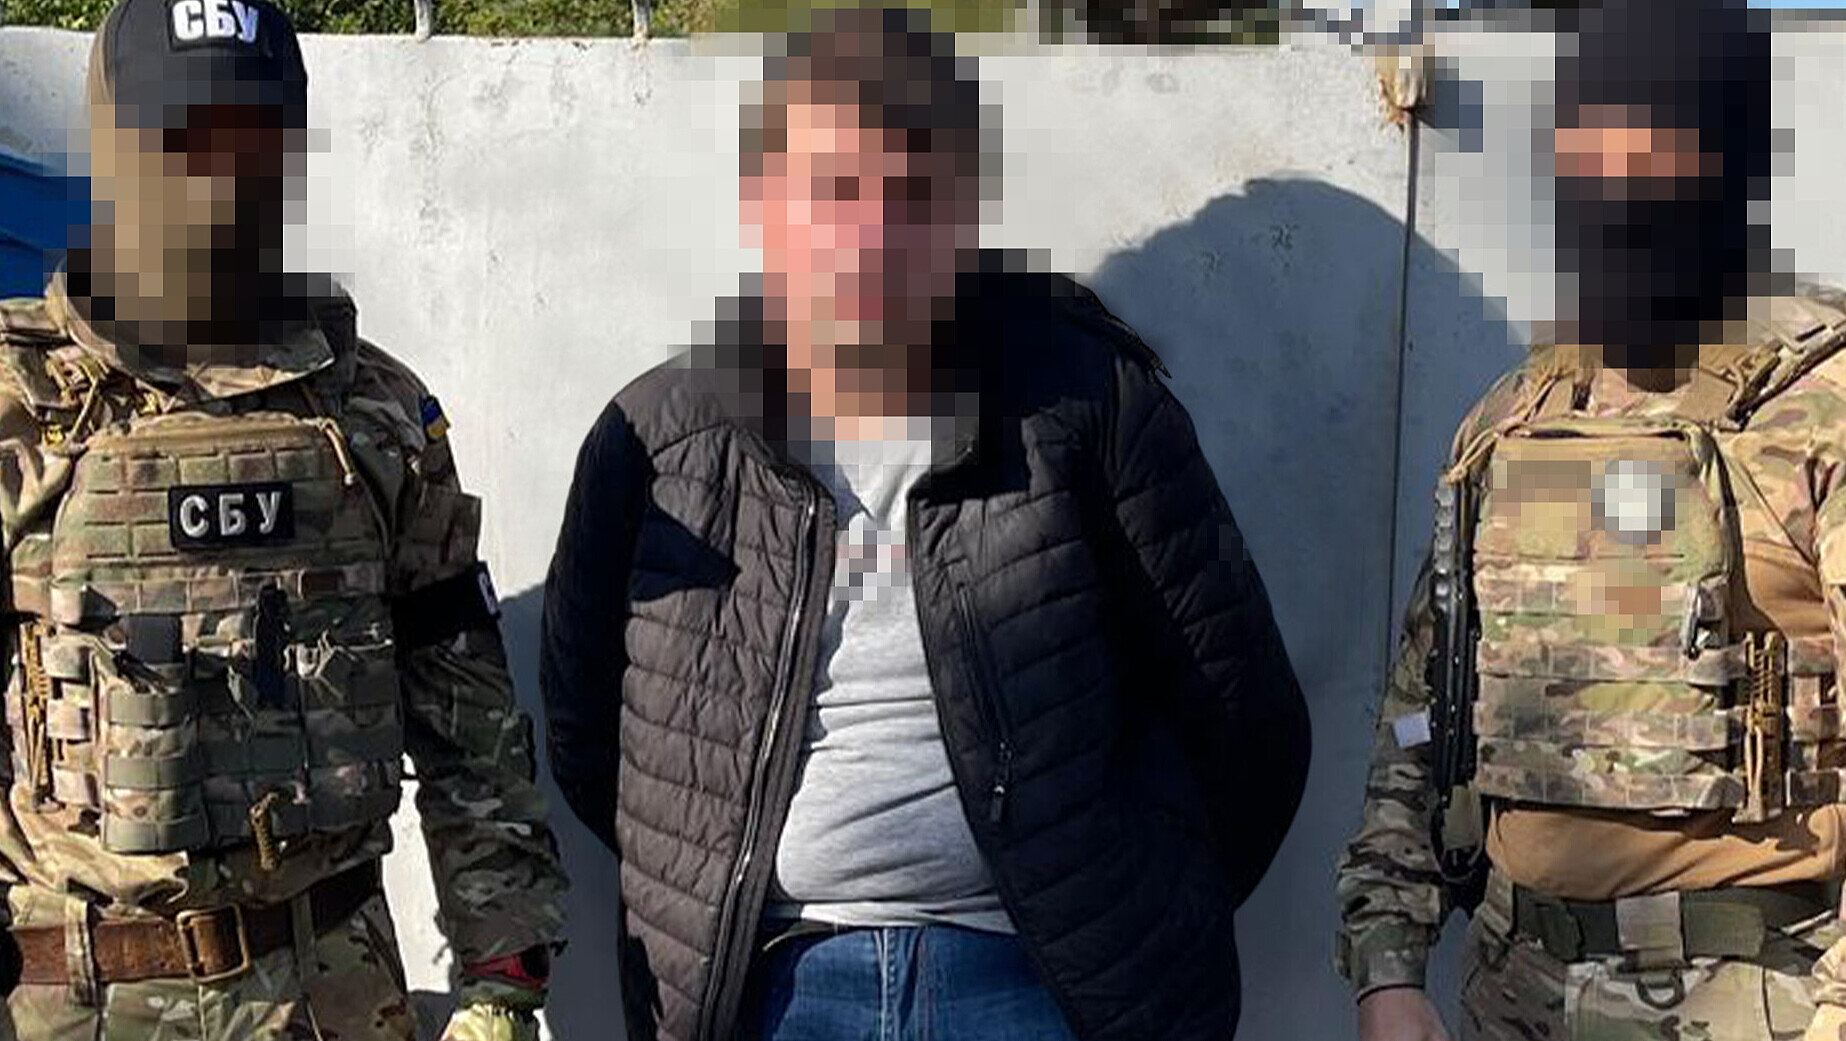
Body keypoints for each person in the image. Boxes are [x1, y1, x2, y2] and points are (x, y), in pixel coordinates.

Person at [540, 7, 1312, 1041]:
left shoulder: (1087, 410)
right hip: (772, 985)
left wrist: (1132, 917)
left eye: (910, 195)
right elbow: (589, 732)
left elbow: (1242, 715)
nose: (869, 237)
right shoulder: (660, 441)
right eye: (833, 191)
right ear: (766, 203)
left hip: (1039, 987)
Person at [1335, 3, 1846, 1041]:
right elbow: (1423, 716)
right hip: (1510, 994)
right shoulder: (1515, 418)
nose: (1610, 185)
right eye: (1582, 149)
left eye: (1649, 147)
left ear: (1724, 160)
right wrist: (1387, 965)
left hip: (1761, 1004)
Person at [0, 1, 567, 1038]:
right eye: (182, 140)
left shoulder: (373, 411)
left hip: (332, 994)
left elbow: (468, 721)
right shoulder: (16, 408)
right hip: (77, 999)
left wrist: (501, 979)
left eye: (253, 140)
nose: (220, 180)